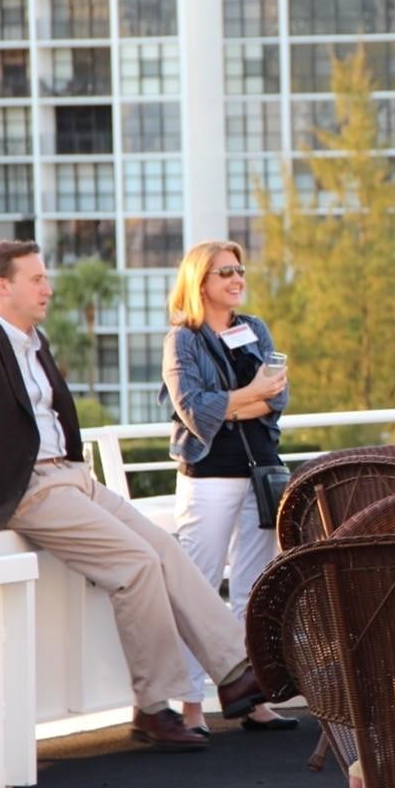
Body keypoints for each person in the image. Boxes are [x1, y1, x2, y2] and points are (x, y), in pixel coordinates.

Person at [0, 240, 269, 752]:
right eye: (36, 279)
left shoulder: (35, 341)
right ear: (0, 287)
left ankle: (235, 672)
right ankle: (152, 707)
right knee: (138, 565)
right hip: (28, 488)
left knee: (163, 548)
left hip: (72, 475)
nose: (48, 288)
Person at [160, 240, 295, 735]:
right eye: (225, 273)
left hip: (260, 472)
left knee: (254, 590)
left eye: (239, 271)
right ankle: (192, 707)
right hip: (210, 475)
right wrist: (250, 395)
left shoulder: (254, 328)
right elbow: (193, 411)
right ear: (201, 283)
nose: (237, 279)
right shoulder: (184, 339)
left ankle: (254, 700)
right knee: (198, 588)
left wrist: (238, 403)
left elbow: (278, 400)